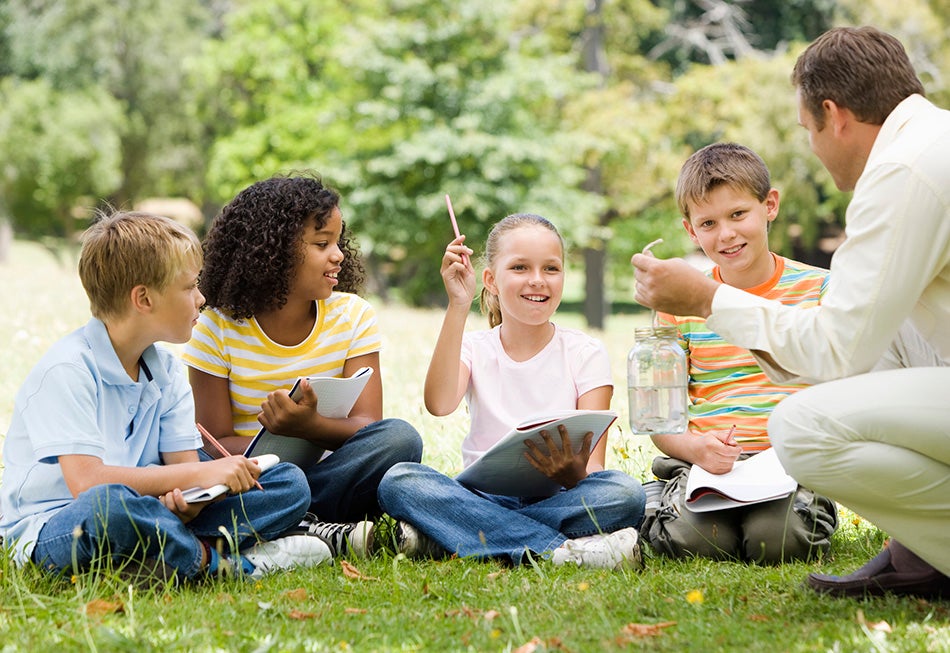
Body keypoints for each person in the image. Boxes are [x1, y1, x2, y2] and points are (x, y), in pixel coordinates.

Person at [631, 26, 950, 597]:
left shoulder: (901, 170)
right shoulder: (933, 141)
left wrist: (706, 299)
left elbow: (836, 349)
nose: (813, 147)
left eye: (809, 130)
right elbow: (868, 330)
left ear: (835, 115)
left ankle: (934, 553)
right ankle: (918, 549)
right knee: (883, 322)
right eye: (707, 223)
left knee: (799, 427)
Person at [0, 211, 332, 582]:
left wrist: (190, 501)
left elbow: (185, 475)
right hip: (58, 525)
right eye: (189, 287)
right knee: (110, 508)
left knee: (287, 483)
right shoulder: (68, 369)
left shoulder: (169, 372)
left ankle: (157, 557)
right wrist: (202, 472)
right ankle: (223, 564)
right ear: (144, 298)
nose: (201, 298)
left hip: (152, 511)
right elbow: (87, 483)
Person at [377, 213, 645, 569]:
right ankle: (563, 552)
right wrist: (458, 304)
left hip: (560, 497)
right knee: (399, 481)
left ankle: (455, 533)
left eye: (551, 269)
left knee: (626, 494)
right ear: (490, 279)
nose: (537, 281)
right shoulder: (475, 348)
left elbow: (594, 468)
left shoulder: (586, 353)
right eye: (520, 268)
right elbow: (439, 404)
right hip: (483, 496)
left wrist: (573, 474)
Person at [182, 173, 423, 559]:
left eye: (337, 242)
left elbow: (369, 428)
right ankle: (320, 527)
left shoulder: (353, 316)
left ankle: (295, 523)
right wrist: (278, 451)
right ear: (273, 251)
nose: (338, 254)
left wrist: (308, 429)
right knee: (208, 461)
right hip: (258, 477)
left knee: (400, 438)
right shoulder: (217, 327)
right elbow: (214, 441)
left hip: (332, 472)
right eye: (321, 243)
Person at [639, 142, 837, 564]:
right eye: (708, 222)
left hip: (788, 463)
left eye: (738, 215)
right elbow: (659, 419)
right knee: (693, 543)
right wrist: (695, 450)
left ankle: (803, 506)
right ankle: (669, 495)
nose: (726, 234)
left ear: (770, 205)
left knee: (777, 542)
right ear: (691, 231)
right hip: (710, 467)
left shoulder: (819, 289)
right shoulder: (677, 303)